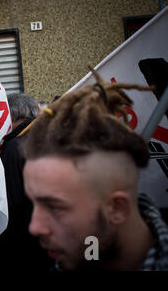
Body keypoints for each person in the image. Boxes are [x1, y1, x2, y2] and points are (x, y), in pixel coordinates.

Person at [22, 66, 168, 271]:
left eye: (54, 207)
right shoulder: (82, 254)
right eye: (34, 203)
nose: (35, 227)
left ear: (117, 208)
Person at [0, 93, 53, 271]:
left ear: (11, 116)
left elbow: (13, 200)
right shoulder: (47, 137)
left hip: (24, 239)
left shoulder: (14, 147)